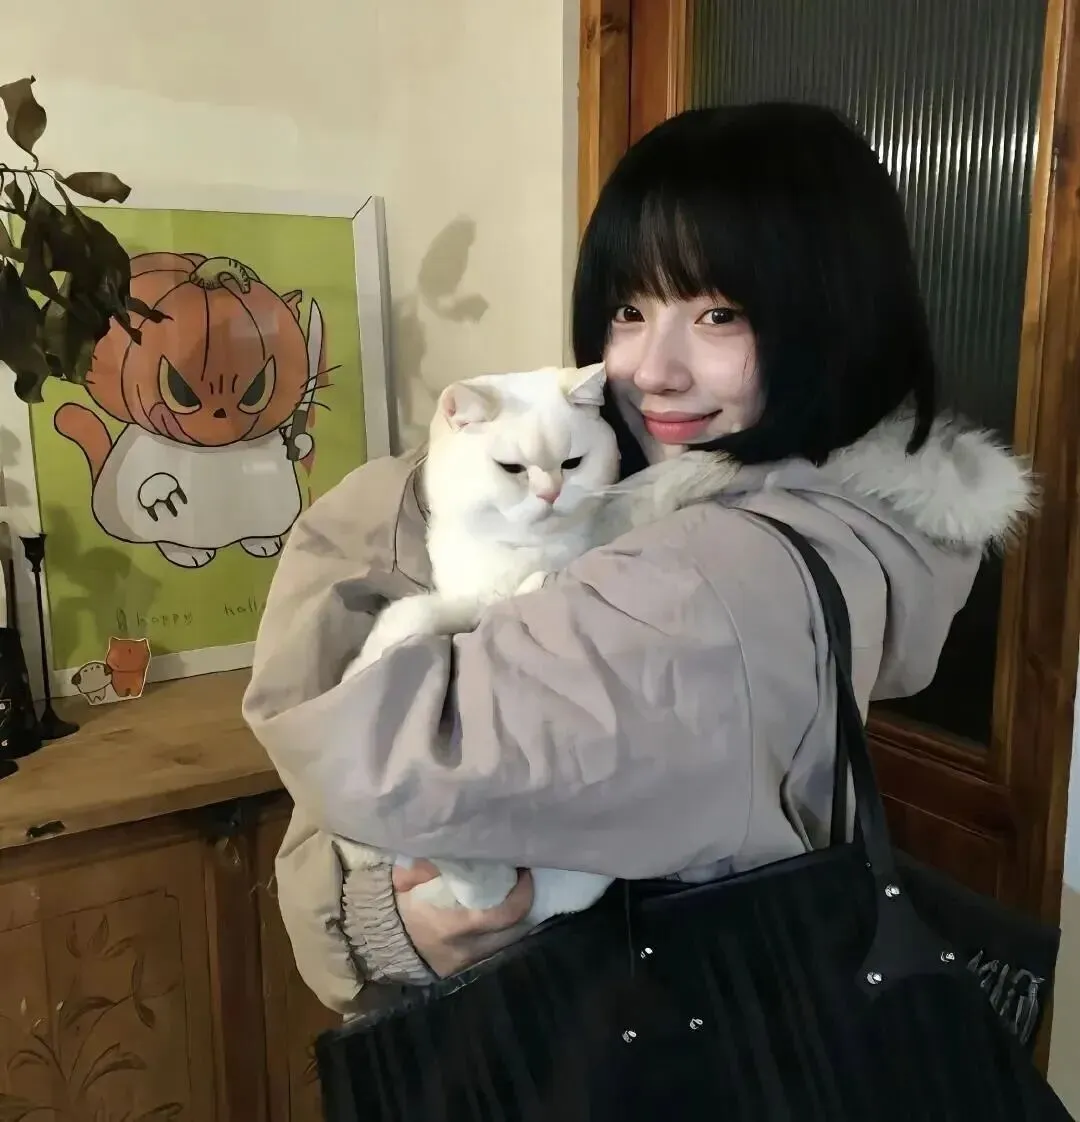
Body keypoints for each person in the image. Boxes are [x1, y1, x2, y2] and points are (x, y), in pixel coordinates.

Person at [242, 102, 1033, 1014]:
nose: (652, 370)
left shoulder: (707, 578)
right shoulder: (787, 512)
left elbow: (364, 758)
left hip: (617, 1032)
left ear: (837, 316)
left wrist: (374, 925)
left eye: (720, 313)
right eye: (629, 308)